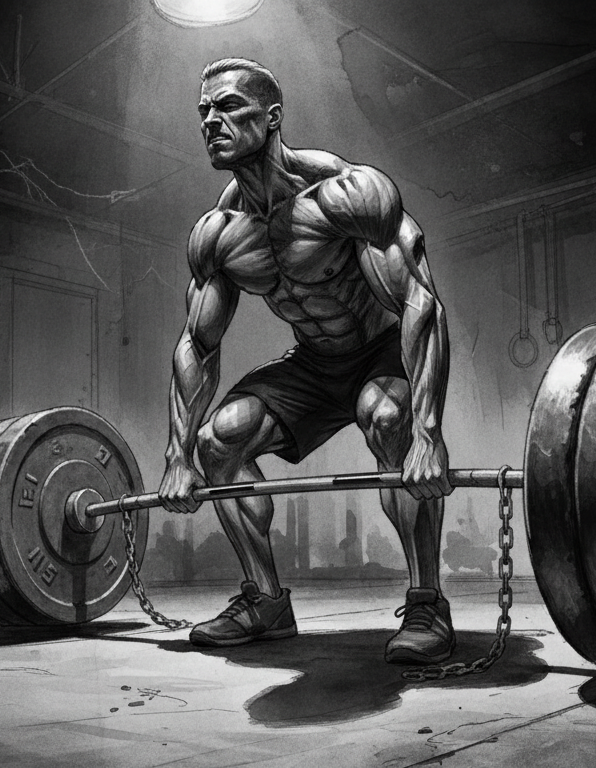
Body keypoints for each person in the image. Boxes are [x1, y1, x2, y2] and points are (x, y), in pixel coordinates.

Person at [157, 58, 454, 664]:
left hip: (379, 350)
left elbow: (420, 302)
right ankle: (265, 602)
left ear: (272, 118)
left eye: (230, 107)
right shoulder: (219, 233)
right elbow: (197, 343)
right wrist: (177, 455)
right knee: (219, 442)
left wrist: (428, 434)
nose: (212, 121)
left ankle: (427, 602)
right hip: (314, 364)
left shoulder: (347, 195)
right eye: (204, 112)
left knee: (389, 420)